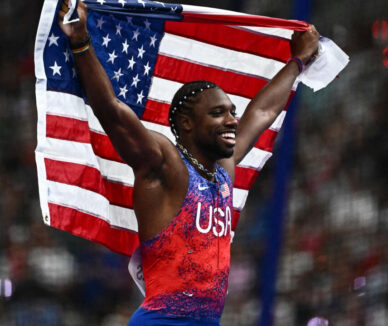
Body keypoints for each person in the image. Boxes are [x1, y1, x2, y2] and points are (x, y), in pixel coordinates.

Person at [57, 1, 319, 325]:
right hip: (162, 320)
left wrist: (297, 61)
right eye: (217, 113)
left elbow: (262, 112)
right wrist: (81, 43)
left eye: (231, 112)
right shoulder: (164, 165)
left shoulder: (225, 168)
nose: (232, 121)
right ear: (187, 123)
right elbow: (112, 111)